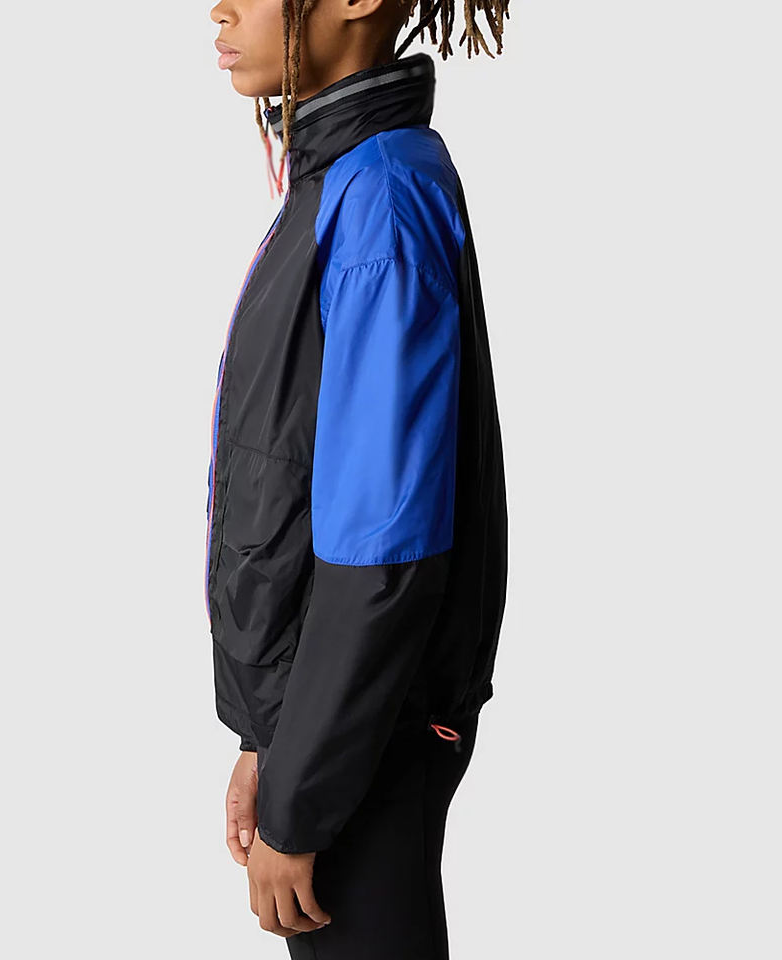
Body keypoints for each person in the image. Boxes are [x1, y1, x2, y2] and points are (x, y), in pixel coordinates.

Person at [205, 1, 510, 956]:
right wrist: (266, 736)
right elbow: (294, 480)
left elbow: (383, 548)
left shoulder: (379, 192)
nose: (219, 9)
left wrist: (303, 795)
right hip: (331, 732)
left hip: (366, 739)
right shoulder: (341, 178)